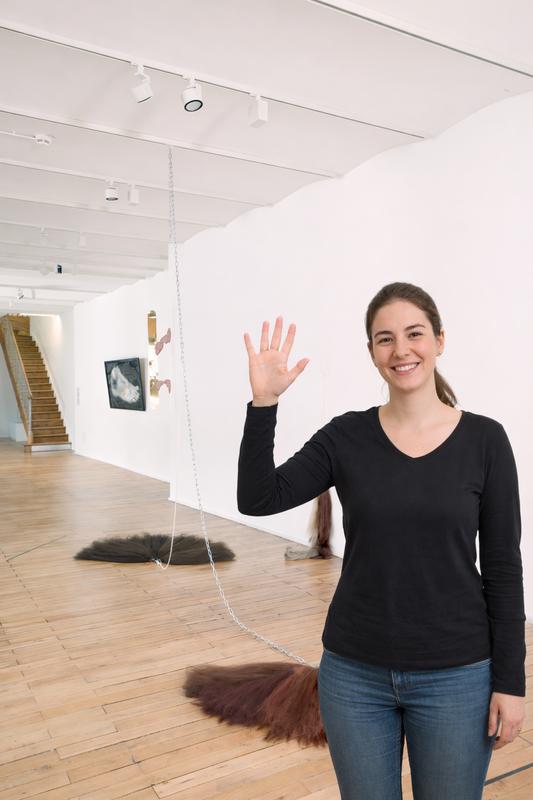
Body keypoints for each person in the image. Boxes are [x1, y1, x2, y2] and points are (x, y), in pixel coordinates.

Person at [238, 281, 526, 800]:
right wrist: (263, 405)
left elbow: (504, 569)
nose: (401, 350)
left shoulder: (486, 440)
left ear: (439, 340)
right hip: (354, 674)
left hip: (457, 677)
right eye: (384, 339)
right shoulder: (345, 437)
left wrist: (511, 681)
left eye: (414, 334)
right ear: (371, 353)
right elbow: (258, 498)